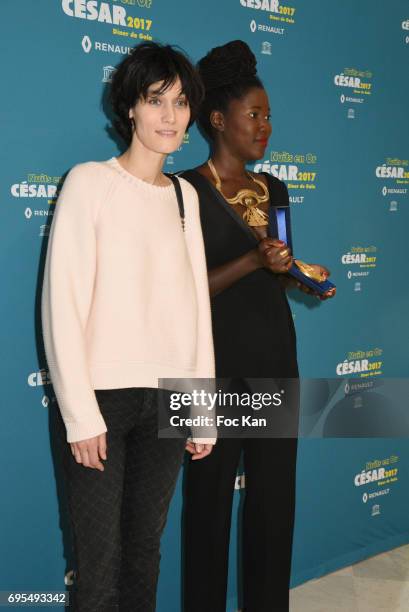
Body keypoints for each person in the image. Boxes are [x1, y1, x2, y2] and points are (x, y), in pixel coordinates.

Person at [41, 41, 216, 612]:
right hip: (102, 401)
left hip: (168, 399)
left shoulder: (186, 196)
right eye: (156, 99)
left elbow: (196, 310)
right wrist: (80, 411)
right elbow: (62, 301)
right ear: (130, 109)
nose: (170, 115)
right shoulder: (90, 182)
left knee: (145, 551)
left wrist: (201, 410)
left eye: (182, 102)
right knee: (97, 566)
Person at [181, 40, 335, 612]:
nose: (266, 125)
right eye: (255, 114)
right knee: (207, 507)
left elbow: (282, 264)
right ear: (218, 120)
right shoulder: (183, 191)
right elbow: (184, 287)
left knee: (274, 506)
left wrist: (305, 275)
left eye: (269, 115)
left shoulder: (276, 189)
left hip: (275, 363)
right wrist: (252, 260)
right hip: (207, 373)